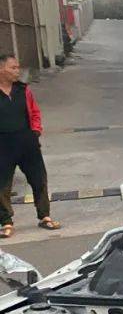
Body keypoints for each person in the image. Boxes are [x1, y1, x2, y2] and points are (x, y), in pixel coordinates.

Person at [0, 53, 60, 238]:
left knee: (39, 179)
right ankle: (6, 222)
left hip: (27, 143)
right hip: (3, 145)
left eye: (18, 67)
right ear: (1, 69)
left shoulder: (23, 90)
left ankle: (44, 216)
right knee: (2, 186)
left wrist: (35, 132)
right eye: (13, 68)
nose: (17, 71)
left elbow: (34, 112)